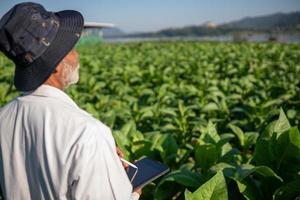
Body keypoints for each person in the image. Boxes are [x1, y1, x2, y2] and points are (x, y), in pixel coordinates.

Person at [0, 2, 141, 199]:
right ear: (56, 65)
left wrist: (103, 160)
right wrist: (132, 193)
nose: (77, 55)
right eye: (71, 48)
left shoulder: (3, 117)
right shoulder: (87, 133)